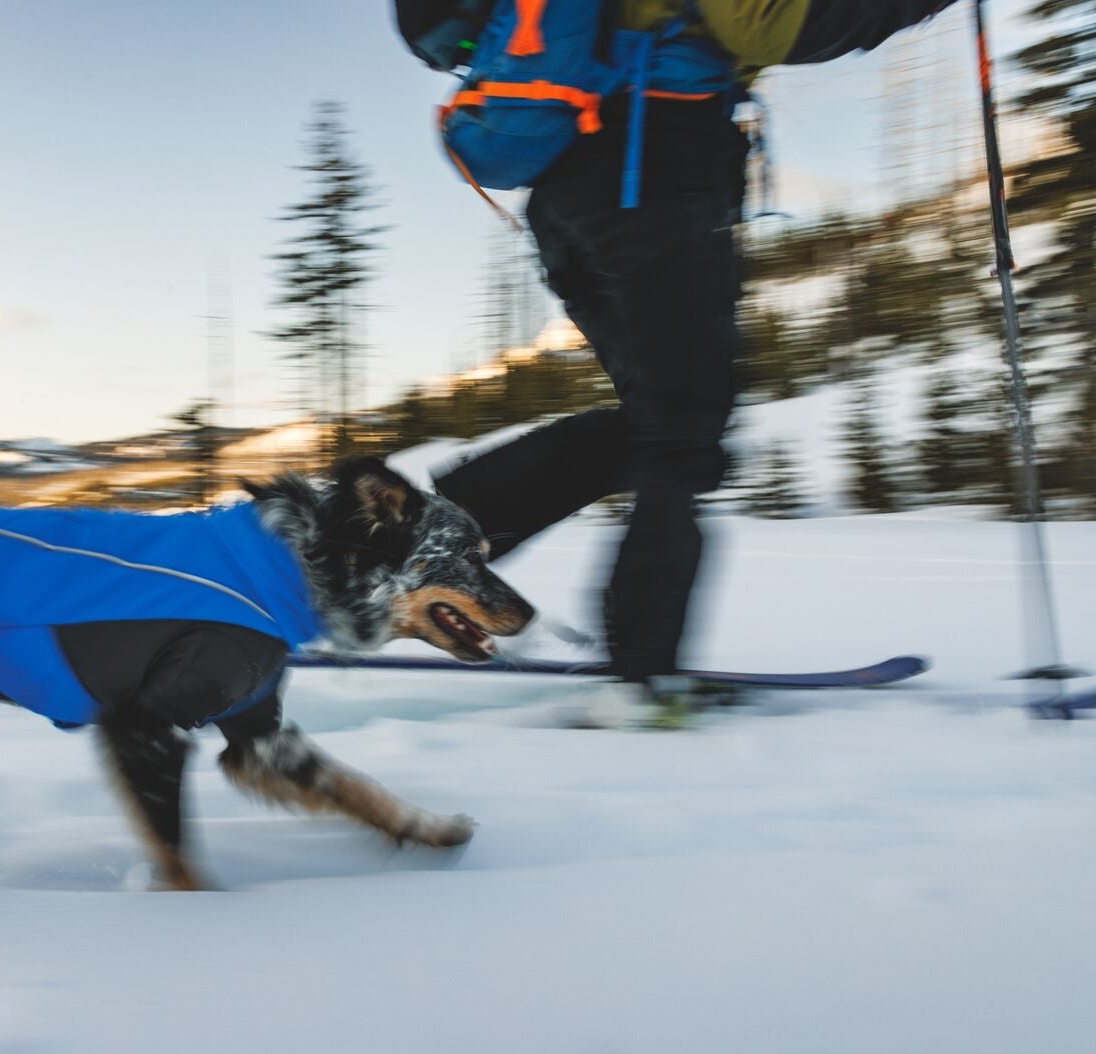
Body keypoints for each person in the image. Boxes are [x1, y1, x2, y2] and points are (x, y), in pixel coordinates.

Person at [395, 0, 959, 726]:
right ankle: (641, 677)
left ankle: (420, 546)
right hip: (654, 181)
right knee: (680, 437)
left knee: (657, 423)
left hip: (575, 204)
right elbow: (765, 25)